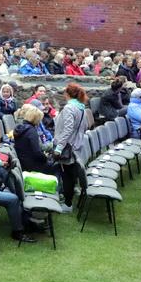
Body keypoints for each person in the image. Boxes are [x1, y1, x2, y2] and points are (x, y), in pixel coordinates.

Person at [52, 83, 89, 213]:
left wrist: (59, 148)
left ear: (67, 94)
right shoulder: (81, 107)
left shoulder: (69, 108)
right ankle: (70, 197)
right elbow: (85, 126)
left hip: (67, 146)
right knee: (71, 174)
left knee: (67, 175)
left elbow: (67, 129)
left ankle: (68, 204)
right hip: (76, 144)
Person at [13, 104, 58, 176]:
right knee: (56, 165)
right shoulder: (31, 131)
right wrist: (46, 158)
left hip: (24, 162)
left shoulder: (20, 127)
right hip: (32, 165)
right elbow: (37, 152)